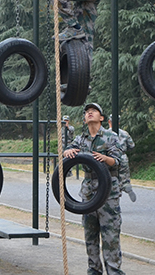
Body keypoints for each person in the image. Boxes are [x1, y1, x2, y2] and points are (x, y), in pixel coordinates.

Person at [63, 102, 125, 275]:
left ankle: (114, 271)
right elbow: (67, 151)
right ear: (84, 118)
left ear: (101, 118)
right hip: (88, 192)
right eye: (87, 112)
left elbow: (118, 161)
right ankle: (94, 270)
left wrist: (105, 158)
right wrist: (67, 153)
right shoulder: (80, 139)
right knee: (90, 235)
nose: (90, 113)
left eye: (94, 111)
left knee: (110, 235)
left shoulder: (110, 137)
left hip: (107, 192)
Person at [108, 115, 137, 202]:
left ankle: (116, 196)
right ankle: (127, 186)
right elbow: (132, 146)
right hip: (123, 157)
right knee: (124, 177)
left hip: (111, 158)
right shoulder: (125, 133)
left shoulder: (106, 133)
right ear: (119, 122)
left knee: (113, 178)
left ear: (109, 121)